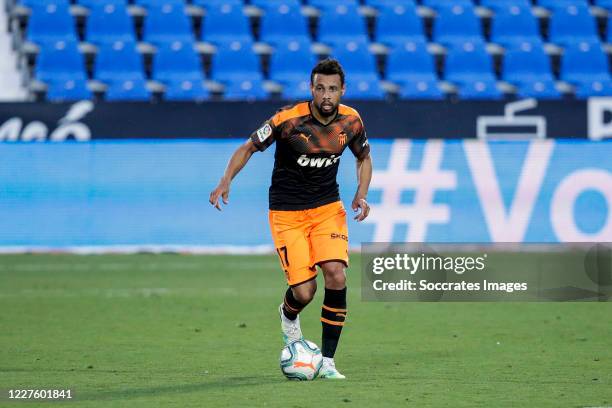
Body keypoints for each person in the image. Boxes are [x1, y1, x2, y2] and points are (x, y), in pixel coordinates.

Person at [209, 58, 372, 379]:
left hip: (327, 209)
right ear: (311, 89)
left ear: (343, 90)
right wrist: (226, 179)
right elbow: (248, 147)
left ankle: (327, 360)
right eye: (321, 88)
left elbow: (364, 157)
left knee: (336, 275)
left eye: (333, 89)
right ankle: (288, 316)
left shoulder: (351, 121)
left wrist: (361, 193)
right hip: (287, 213)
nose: (327, 95)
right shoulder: (288, 120)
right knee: (304, 292)